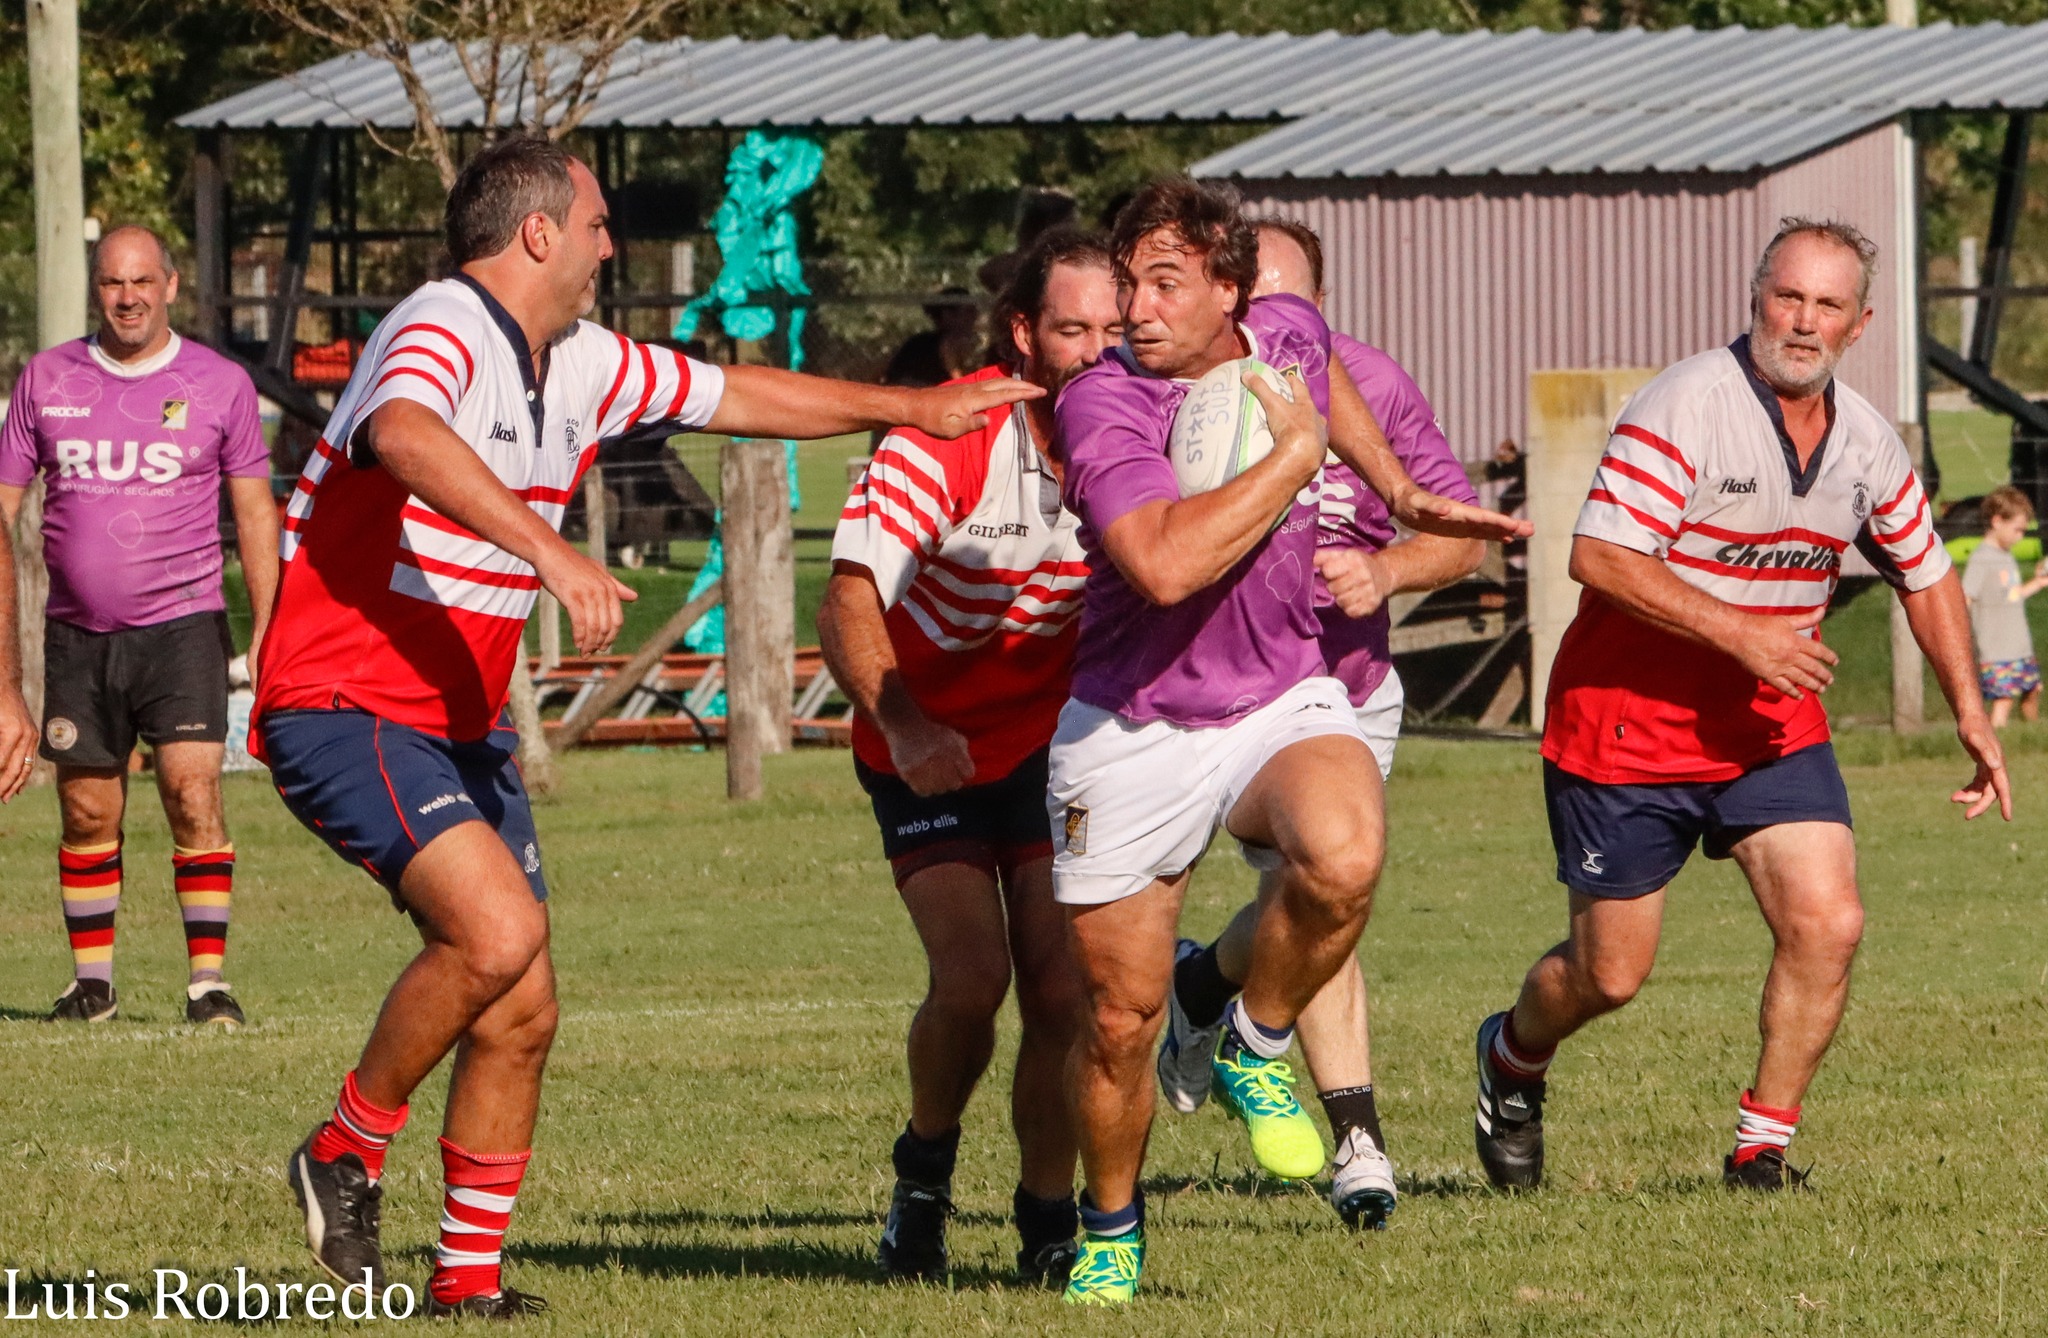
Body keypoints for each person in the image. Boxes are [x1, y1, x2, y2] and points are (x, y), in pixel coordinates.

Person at [257, 135, 1042, 1317]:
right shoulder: (441, 320)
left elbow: (742, 396)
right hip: (346, 701)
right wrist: (551, 550)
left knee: (523, 1003)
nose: (609, 247)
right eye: (595, 225)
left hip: (456, 727)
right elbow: (405, 434)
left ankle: (466, 1282)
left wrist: (913, 409)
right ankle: (344, 1150)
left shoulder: (578, 361)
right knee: (496, 932)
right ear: (537, 233)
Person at [1048, 178, 1527, 1304]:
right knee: (1118, 1022)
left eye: (1165, 284)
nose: (1135, 310)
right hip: (1130, 726)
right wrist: (1293, 453)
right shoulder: (1101, 401)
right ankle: (1110, 1228)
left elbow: (1324, 374)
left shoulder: (1286, 331)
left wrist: (1398, 488)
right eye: (1127, 284)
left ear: (1230, 290)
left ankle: (1254, 1041)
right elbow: (1164, 565)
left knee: (1345, 853)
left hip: (1279, 694)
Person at [1472, 218, 2009, 1196]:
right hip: (1626, 728)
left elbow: (1926, 572)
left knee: (1828, 921)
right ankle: (1511, 1060)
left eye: (1827, 305)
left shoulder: (1864, 441)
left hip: (1767, 730)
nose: (1802, 321)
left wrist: (1969, 712)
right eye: (1787, 296)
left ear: (1859, 324)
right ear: (1756, 298)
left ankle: (1759, 1154)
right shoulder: (1686, 404)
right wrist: (1741, 632)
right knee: (1607, 976)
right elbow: (1598, 555)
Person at [1154, 217, 1485, 1230]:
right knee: (1314, 890)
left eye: (1284, 301)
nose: (1265, 320)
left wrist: (1384, 570)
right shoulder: (1176, 389)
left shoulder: (1371, 384)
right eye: (1246, 298)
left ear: (1320, 308)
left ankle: (1314, 1099)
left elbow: (1457, 535)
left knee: (1325, 888)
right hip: (1217, 695)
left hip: (1346, 688)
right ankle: (1333, 1121)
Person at [820, 227, 1121, 1288]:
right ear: (1023, 333)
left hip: (1052, 749)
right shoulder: (949, 435)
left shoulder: (1140, 439)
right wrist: (904, 722)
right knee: (972, 977)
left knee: (1061, 992)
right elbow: (847, 599)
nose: (1097, 353)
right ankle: (923, 1173)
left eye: (1115, 330)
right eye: (1073, 330)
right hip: (922, 743)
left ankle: (1046, 1217)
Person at [0, 224, 278, 1029]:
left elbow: (256, 512)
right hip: (75, 636)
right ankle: (92, 986)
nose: (128, 298)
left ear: (171, 285)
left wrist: (270, 625)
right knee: (88, 812)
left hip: (183, 628)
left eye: (142, 282)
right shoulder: (46, 379)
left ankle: (207, 985)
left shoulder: (220, 384)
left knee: (192, 792)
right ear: (97, 289)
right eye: (113, 283)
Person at [1963, 485, 2048, 727]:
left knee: (2033, 690)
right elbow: (1966, 596)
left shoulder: (2006, 555)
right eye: (2017, 530)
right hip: (1996, 648)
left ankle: (2032, 734)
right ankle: (1996, 738)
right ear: (1997, 521)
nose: (2020, 537)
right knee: (2004, 698)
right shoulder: (1981, 559)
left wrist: (2039, 582)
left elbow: (2012, 595)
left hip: (2019, 645)